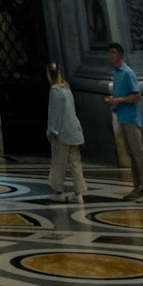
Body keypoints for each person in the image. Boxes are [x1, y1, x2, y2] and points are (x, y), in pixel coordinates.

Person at [105, 42, 143, 201]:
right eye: (110, 52)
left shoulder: (127, 72)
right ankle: (137, 187)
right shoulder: (116, 73)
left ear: (120, 54)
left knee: (139, 155)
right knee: (131, 155)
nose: (110, 55)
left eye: (113, 52)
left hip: (132, 119)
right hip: (122, 118)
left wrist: (118, 100)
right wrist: (114, 100)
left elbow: (137, 95)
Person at [45, 62, 85, 203]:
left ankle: (58, 191)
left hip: (61, 132)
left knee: (58, 163)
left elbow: (54, 113)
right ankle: (78, 193)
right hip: (74, 130)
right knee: (75, 163)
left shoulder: (55, 91)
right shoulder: (67, 89)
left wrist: (51, 131)